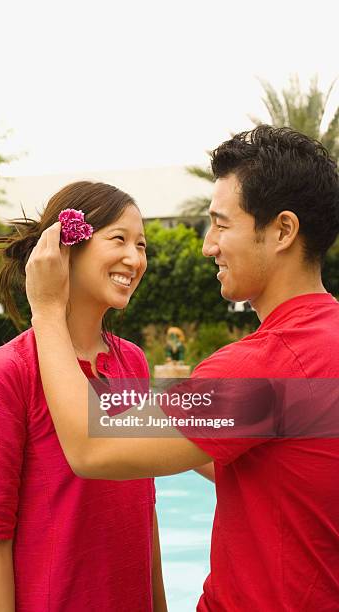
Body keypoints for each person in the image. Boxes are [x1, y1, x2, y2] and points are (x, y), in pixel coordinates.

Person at [24, 126, 339, 610]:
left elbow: (92, 448)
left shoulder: (264, 366)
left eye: (222, 224)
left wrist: (46, 309)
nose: (208, 245)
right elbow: (270, 461)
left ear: (282, 231)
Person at [0, 181, 167, 612]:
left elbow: (144, 511)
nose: (135, 258)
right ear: (67, 248)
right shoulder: (8, 371)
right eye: (119, 240)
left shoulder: (132, 362)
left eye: (142, 245)